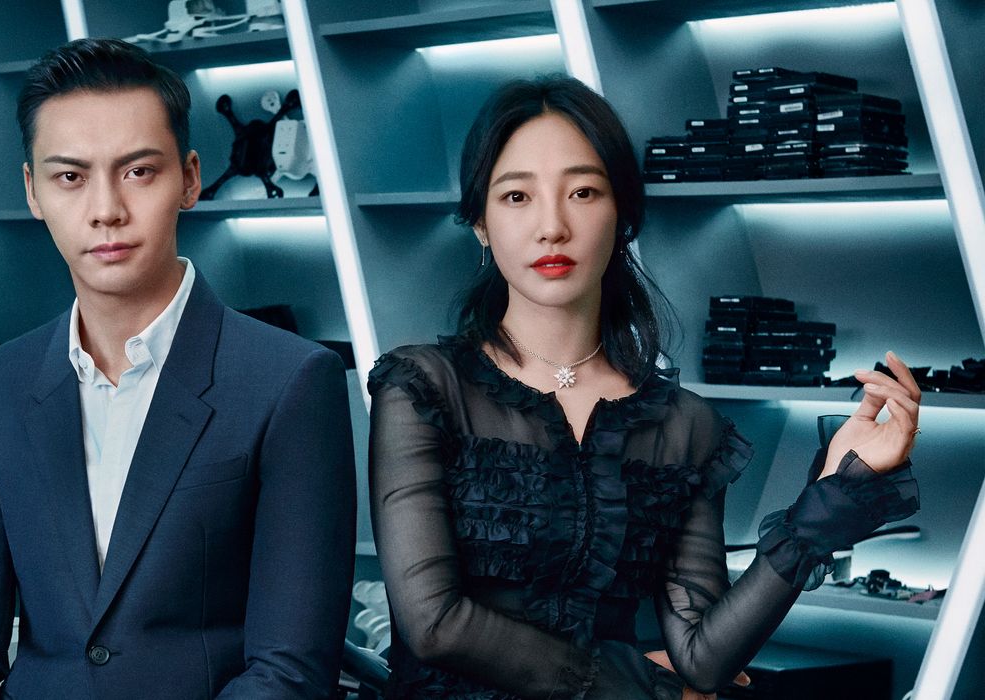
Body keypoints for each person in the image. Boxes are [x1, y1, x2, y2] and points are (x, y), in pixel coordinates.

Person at [366, 76, 921, 699]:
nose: (552, 226)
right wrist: (631, 683)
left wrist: (830, 497)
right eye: (516, 196)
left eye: (582, 192)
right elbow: (433, 624)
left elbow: (703, 659)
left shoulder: (683, 425)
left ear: (624, 215)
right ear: (480, 224)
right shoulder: (424, 388)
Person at [0, 38, 356, 699]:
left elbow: (290, 670)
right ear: (33, 192)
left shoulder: (289, 381)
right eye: (70, 177)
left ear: (190, 179)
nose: (106, 210)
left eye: (139, 171)